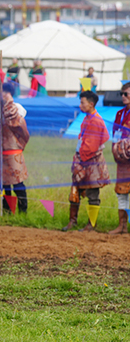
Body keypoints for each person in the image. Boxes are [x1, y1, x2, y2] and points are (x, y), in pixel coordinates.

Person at [62, 91, 110, 232]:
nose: (80, 105)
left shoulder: (96, 121)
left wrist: (80, 161)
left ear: (91, 104)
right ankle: (72, 221)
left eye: (82, 103)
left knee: (92, 194)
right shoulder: (87, 118)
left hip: (92, 162)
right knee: (75, 191)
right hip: (81, 159)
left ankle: (91, 225)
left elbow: (91, 146)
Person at [0, 80, 29, 213]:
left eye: (0, 94)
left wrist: (7, 102)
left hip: (13, 152)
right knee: (4, 185)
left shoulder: (16, 109)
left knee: (18, 183)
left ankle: (23, 211)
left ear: (9, 95)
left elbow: (13, 121)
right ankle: (7, 211)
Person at [110, 81, 130, 234]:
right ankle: (121, 226)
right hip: (122, 160)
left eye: (126, 94)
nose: (123, 96)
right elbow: (114, 133)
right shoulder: (119, 113)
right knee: (121, 192)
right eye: (121, 94)